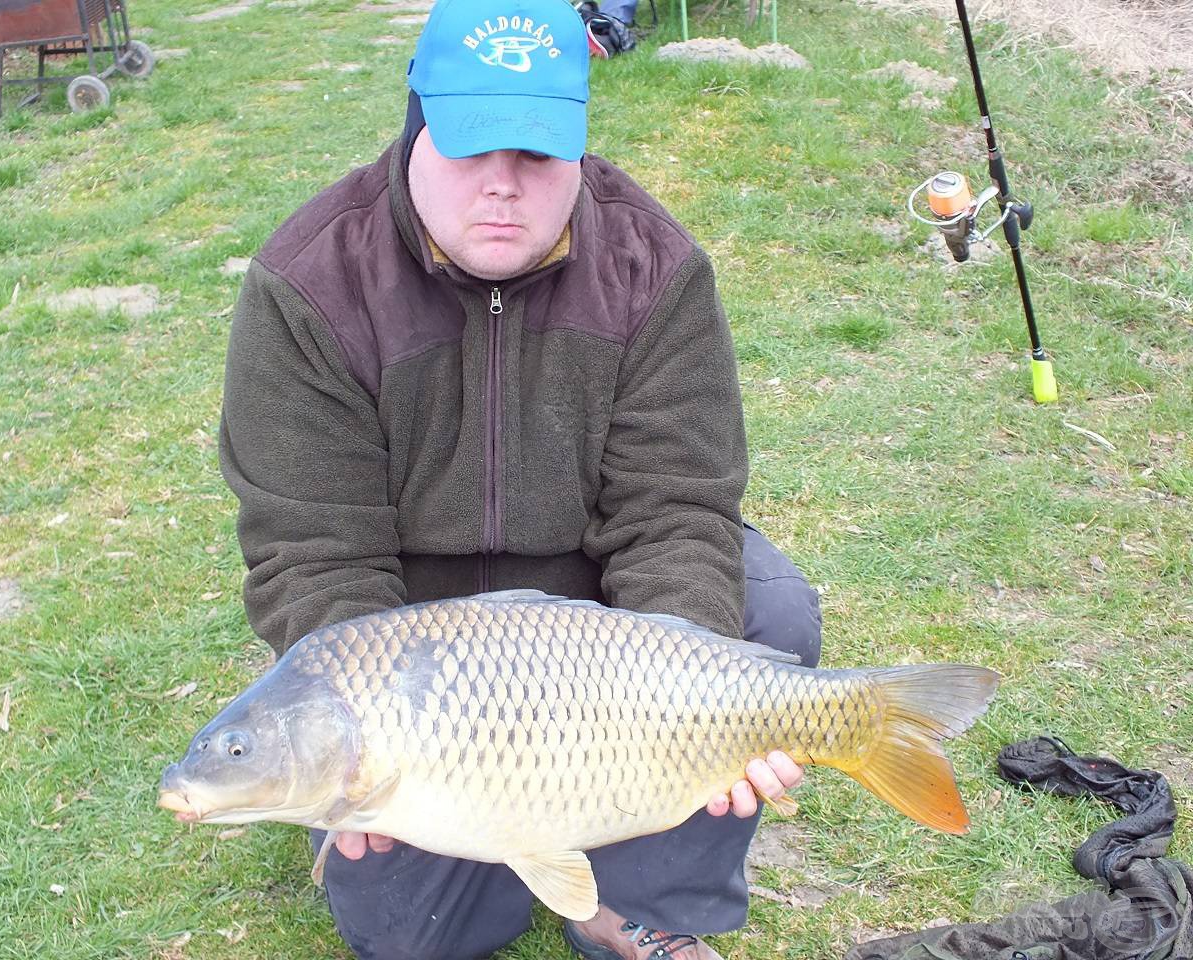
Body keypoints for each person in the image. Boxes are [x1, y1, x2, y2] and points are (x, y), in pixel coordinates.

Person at [218, 0, 822, 956]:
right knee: (423, 938)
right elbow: (313, 548)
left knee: (769, 611)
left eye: (536, 155)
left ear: (577, 145)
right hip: (413, 648)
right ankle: (423, 829)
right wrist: (358, 746)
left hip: (600, 619)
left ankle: (648, 910)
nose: (501, 187)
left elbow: (674, 508)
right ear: (417, 124)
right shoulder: (307, 287)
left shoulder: (654, 267)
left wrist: (700, 706)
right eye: (468, 148)